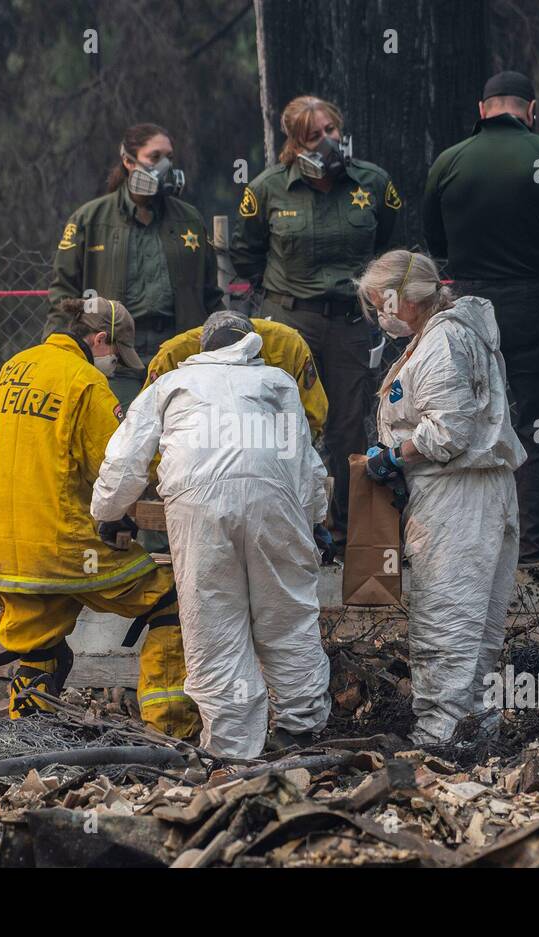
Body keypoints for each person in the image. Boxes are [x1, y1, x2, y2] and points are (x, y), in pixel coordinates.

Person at [91, 310, 332, 758]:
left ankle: (231, 749)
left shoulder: (170, 385)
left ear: (203, 348)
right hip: (274, 508)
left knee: (215, 628)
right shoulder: (278, 383)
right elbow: (304, 462)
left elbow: (125, 457)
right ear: (251, 346)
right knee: (287, 619)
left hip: (200, 512)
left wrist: (107, 510)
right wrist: (314, 519)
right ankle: (300, 731)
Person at [0, 297, 198, 738]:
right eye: (116, 354)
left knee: (40, 640)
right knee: (172, 601)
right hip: (68, 544)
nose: (115, 365)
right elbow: (118, 463)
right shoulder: (84, 381)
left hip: (11, 547)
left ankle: (28, 735)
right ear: (100, 340)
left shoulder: (13, 368)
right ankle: (172, 728)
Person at [423, 70, 539, 564]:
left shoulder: (449, 162)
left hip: (466, 312)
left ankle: (467, 550)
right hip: (533, 307)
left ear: (482, 110)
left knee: (463, 424)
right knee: (537, 426)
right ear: (533, 110)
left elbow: (437, 244)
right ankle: (531, 550)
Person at [357, 251, 525, 744]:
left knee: (447, 622)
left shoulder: (443, 343)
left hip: (458, 496)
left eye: (379, 302)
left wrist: (395, 455)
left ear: (407, 298)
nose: (378, 313)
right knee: (476, 631)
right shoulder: (441, 336)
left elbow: (448, 431)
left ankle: (440, 740)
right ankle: (478, 734)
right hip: (474, 489)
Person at [231, 95, 401, 554]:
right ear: (294, 142)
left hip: (349, 319)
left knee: (348, 427)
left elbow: (388, 240)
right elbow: (245, 252)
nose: (328, 141)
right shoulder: (267, 190)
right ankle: (290, 531)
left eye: (331, 130)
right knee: (289, 424)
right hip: (291, 319)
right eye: (314, 135)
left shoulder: (373, 181)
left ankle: (345, 536)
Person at [48, 123, 223, 360]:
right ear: (129, 161)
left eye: (169, 158)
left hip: (180, 351)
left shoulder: (189, 219)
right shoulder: (90, 219)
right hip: (112, 351)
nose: (165, 166)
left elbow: (210, 293)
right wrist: (56, 351)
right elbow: (64, 292)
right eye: (155, 157)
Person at [145, 315, 329, 440]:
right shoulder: (171, 355)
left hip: (272, 441)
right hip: (192, 440)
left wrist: (290, 459)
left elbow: (312, 416)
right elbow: (149, 424)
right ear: (201, 346)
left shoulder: (288, 345)